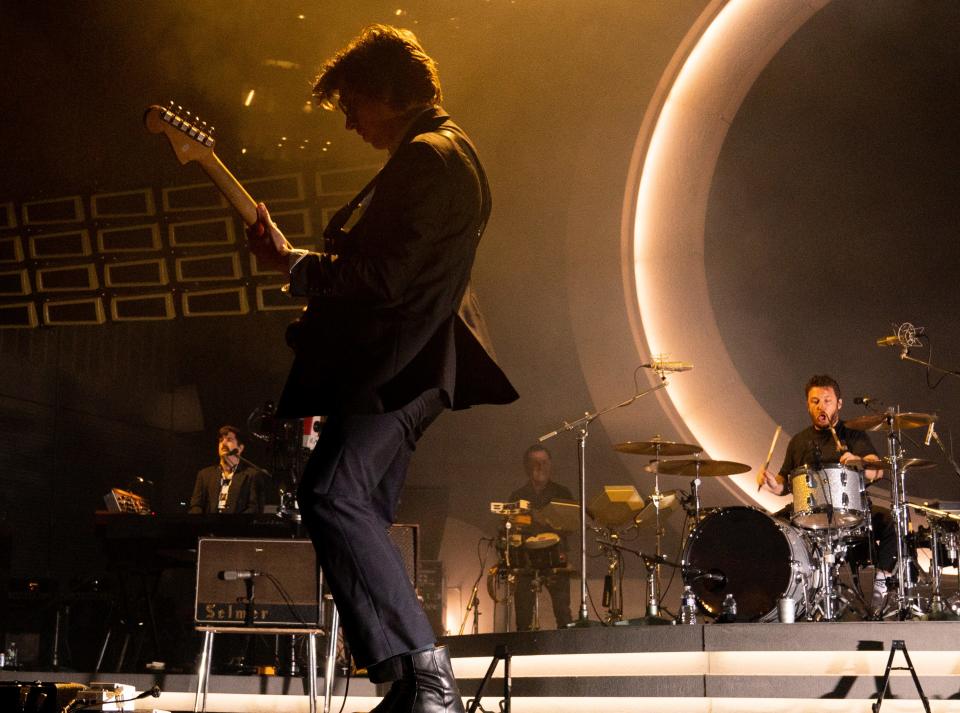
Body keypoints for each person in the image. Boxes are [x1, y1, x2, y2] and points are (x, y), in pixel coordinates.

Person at [246, 25, 517, 713]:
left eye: (354, 103)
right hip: (417, 367)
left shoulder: (428, 158)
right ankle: (407, 683)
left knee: (332, 494)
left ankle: (427, 680)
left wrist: (294, 265)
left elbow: (386, 275)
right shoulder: (448, 153)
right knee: (357, 505)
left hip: (400, 367)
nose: (348, 120)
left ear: (390, 95)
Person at [760, 374, 896, 611]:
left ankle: (881, 584)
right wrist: (774, 485)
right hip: (807, 513)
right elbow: (785, 483)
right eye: (815, 401)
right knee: (769, 530)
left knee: (888, 521)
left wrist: (859, 462)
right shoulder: (798, 441)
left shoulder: (853, 434)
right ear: (807, 405)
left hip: (850, 511)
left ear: (838, 404)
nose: (821, 406)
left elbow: (878, 471)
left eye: (827, 400)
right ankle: (780, 598)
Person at [507, 445, 573, 630]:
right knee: (523, 616)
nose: (540, 466)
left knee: (563, 613)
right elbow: (511, 527)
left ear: (550, 464)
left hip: (556, 558)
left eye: (544, 462)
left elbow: (571, 526)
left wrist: (544, 520)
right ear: (526, 466)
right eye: (535, 462)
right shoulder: (518, 495)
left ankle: (566, 653)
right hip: (527, 560)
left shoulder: (562, 493)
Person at [189, 425, 265, 514]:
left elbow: (254, 509)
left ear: (240, 448)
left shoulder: (252, 475)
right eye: (221, 440)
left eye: (229, 440)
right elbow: (196, 506)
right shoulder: (204, 475)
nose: (223, 443)